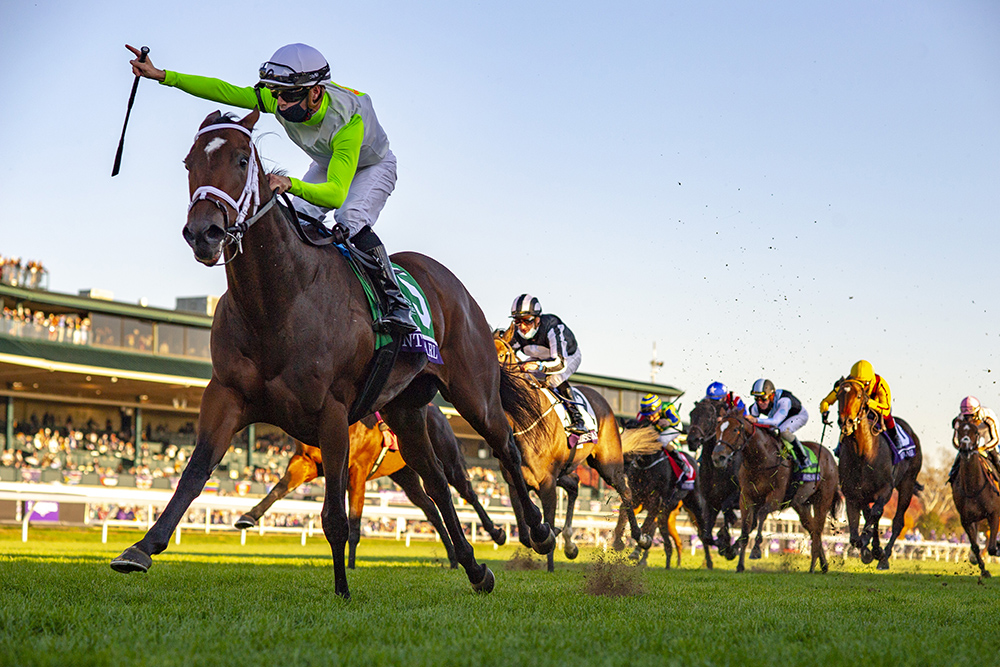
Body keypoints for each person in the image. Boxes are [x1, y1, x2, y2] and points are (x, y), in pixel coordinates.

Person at [126, 43, 415, 333]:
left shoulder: (347, 121)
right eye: (276, 94)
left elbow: (337, 194)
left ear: (316, 92)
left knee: (351, 218)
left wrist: (290, 183)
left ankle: (396, 302)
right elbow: (224, 91)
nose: (281, 103)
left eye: (289, 95)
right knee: (295, 219)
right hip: (328, 163)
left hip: (372, 166)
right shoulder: (280, 97)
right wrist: (163, 75)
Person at [508, 294, 586, 434]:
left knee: (554, 378)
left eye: (527, 321)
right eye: (518, 321)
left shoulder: (552, 326)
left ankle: (578, 419)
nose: (523, 327)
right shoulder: (517, 334)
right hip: (539, 357)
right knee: (518, 375)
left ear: (538, 319)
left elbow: (560, 363)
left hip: (567, 357)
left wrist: (537, 366)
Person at [819, 359, 904, 450]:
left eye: (864, 383)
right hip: (859, 407)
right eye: (857, 382)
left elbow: (886, 408)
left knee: (886, 416)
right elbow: (826, 401)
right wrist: (824, 411)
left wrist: (870, 403)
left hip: (877, 405)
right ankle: (840, 446)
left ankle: (895, 436)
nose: (862, 386)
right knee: (847, 419)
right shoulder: (847, 384)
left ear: (870, 380)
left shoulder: (881, 384)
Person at [746, 379, 810, 471]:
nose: (760, 402)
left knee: (783, 431)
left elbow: (775, 422)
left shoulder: (784, 401)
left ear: (772, 396)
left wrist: (755, 419)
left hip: (798, 415)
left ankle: (803, 458)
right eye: (756, 398)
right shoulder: (755, 406)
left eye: (763, 399)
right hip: (779, 417)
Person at [949, 396, 1000, 482]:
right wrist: (962, 448)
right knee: (963, 452)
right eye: (966, 416)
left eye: (971, 416)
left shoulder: (988, 418)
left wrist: (982, 448)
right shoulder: (959, 419)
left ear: (977, 412)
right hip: (973, 432)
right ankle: (953, 474)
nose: (969, 419)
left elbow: (995, 439)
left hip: (987, 431)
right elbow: (955, 441)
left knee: (993, 452)